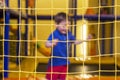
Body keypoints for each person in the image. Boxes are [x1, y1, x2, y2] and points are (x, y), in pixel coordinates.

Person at [45, 12, 92, 80]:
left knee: (62, 78)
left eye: (68, 25)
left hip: (65, 62)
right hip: (55, 63)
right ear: (56, 25)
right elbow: (46, 44)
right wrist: (51, 44)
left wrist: (85, 39)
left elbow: (75, 42)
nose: (66, 28)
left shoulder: (68, 34)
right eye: (64, 26)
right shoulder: (54, 34)